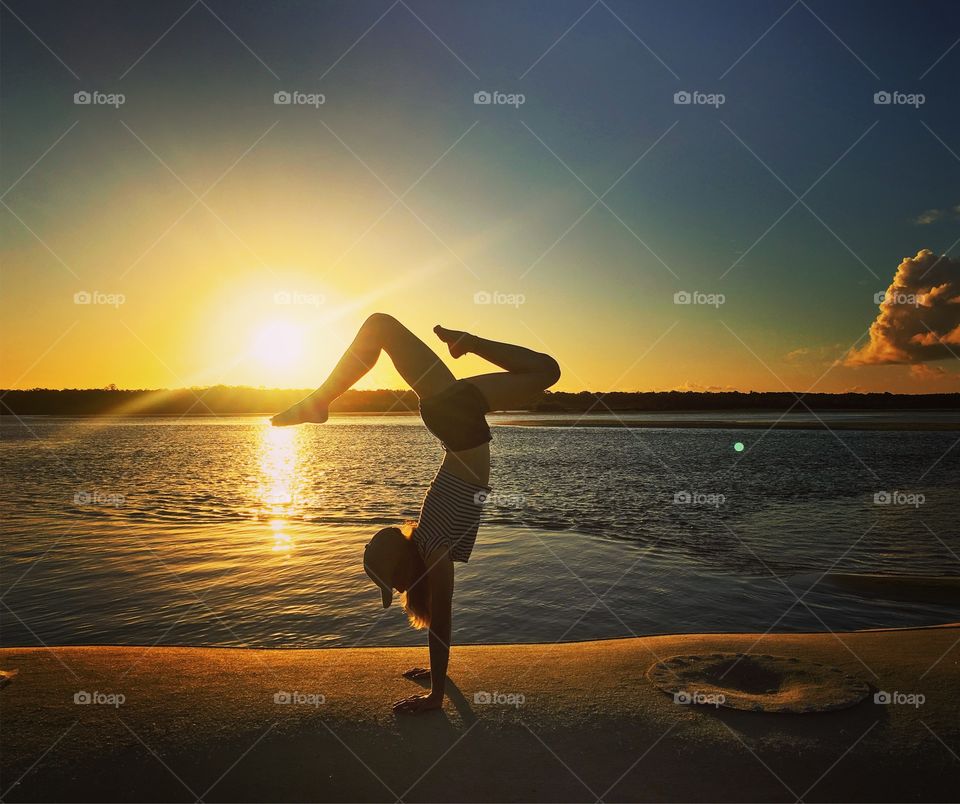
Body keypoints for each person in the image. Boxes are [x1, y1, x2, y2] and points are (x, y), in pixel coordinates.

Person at [271, 314, 560, 713]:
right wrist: (435, 677)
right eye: (394, 586)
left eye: (394, 581)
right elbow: (439, 620)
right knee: (547, 371)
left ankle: (321, 401)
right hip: (458, 417)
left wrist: (435, 691)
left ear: (406, 566)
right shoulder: (430, 546)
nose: (399, 590)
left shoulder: (432, 546)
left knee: (381, 326)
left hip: (457, 419)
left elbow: (442, 621)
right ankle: (467, 343)